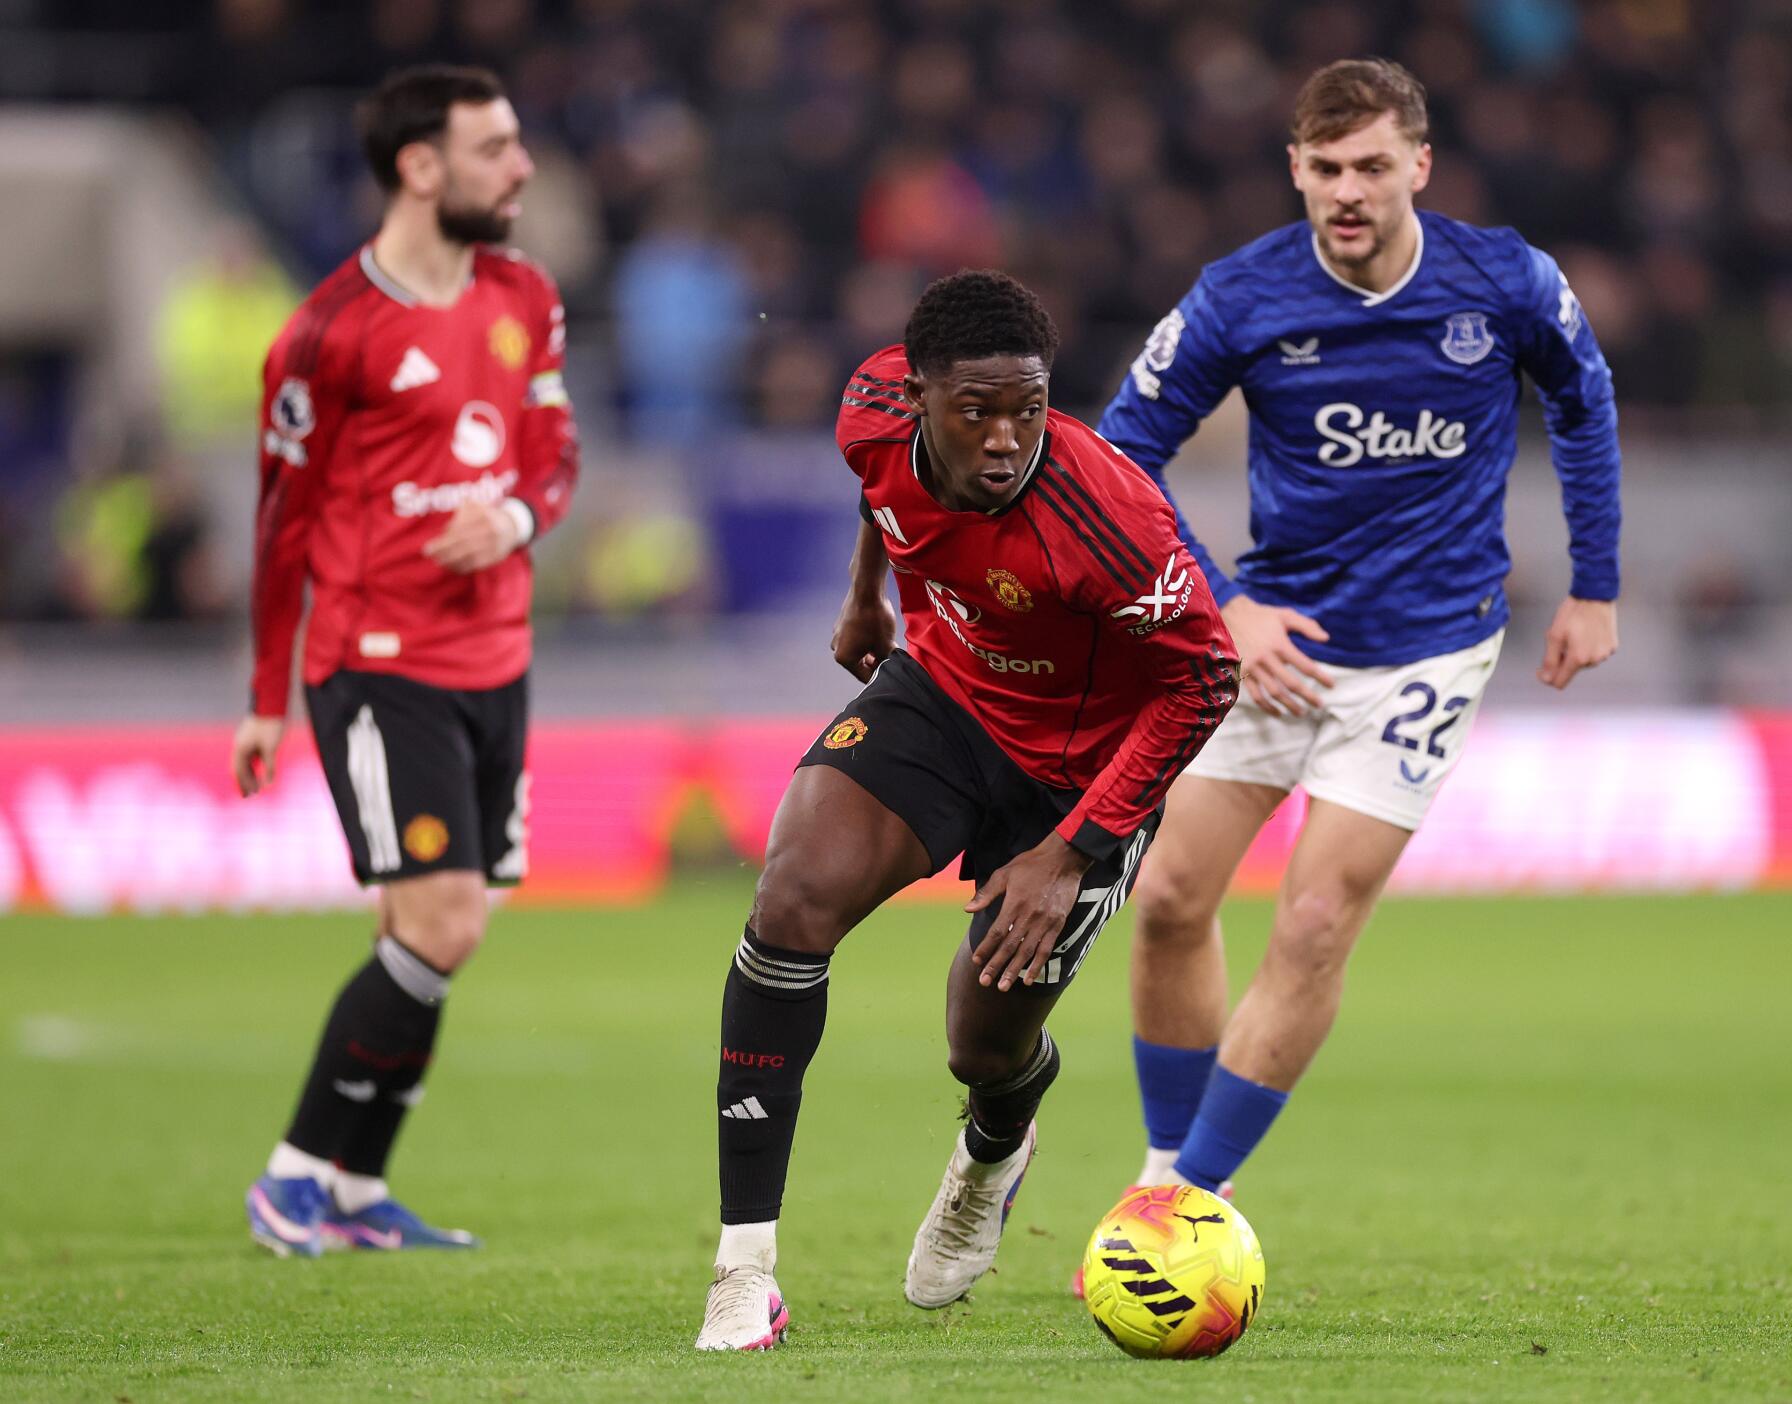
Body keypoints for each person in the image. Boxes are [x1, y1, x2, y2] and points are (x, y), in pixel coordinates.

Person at [1079, 57, 1622, 1272]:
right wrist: (1227, 609)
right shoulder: (1242, 297)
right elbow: (1121, 456)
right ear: (1295, 170)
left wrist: (1594, 584)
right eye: (1325, 169)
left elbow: (1584, 400)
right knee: (1166, 901)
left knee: (1316, 920)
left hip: (1425, 651)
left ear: (1419, 166)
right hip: (1277, 647)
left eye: (1373, 166)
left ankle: (1185, 1211)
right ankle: (1162, 1175)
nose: (1349, 191)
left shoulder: (1506, 280)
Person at [694, 270, 1239, 1351]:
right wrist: (867, 592)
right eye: (974, 412)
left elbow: (1207, 679)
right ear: (921, 397)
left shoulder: (1110, 522)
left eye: (1026, 410)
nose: (1003, 438)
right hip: (945, 695)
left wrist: (1074, 850)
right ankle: (742, 1269)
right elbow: (878, 489)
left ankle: (995, 1148)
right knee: (791, 901)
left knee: (980, 1042)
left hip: (1079, 776)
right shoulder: (870, 408)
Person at [232, 65, 578, 1256]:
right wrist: (264, 697)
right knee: (442, 925)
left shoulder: (525, 295)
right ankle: (291, 1176)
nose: (521, 167)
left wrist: (518, 520)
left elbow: (555, 452)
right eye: (496, 148)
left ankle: (360, 1191)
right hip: (377, 662)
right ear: (420, 167)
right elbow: (280, 524)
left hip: (499, 655)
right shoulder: (326, 334)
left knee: (436, 921)